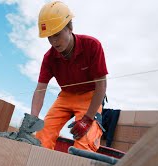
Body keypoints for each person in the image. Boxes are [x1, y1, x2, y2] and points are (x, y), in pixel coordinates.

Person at [31, 1, 108, 152]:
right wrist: (32, 119)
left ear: (70, 28)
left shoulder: (92, 45)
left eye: (57, 35)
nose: (53, 41)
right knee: (42, 135)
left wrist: (88, 118)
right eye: (49, 37)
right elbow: (40, 89)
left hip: (91, 96)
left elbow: (102, 86)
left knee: (85, 144)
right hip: (65, 97)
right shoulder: (49, 58)